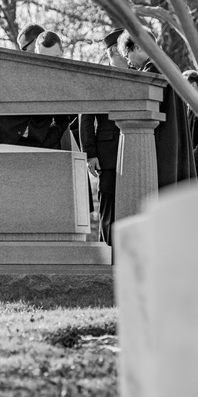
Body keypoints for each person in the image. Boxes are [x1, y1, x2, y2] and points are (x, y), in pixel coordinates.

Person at [117, 28, 196, 188]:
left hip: (162, 146)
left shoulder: (152, 71)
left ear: (138, 46)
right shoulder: (168, 65)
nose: (129, 63)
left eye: (127, 56)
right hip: (175, 143)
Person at [79, 28, 126, 245]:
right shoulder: (98, 80)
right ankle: (108, 255)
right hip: (107, 156)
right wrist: (90, 154)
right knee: (108, 208)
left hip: (135, 151)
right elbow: (86, 119)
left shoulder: (139, 72)